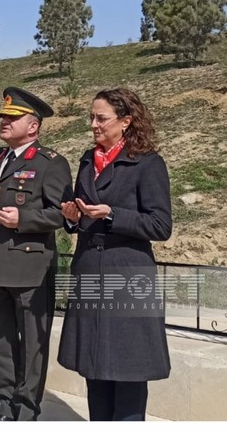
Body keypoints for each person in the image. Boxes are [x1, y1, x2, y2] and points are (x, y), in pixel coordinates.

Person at [58, 88, 172, 421]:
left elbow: (160, 225)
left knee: (129, 372)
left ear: (126, 121)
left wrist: (112, 214)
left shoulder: (147, 164)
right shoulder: (86, 161)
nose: (93, 124)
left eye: (101, 118)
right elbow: (84, 219)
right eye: (91, 117)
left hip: (128, 278)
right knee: (95, 370)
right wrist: (73, 219)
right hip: (90, 273)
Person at [0, 87, 72, 421]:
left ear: (34, 126)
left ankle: (26, 407)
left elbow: (63, 214)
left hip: (29, 266)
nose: (3, 122)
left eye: (12, 118)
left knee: (32, 343)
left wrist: (24, 219)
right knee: (2, 339)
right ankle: (5, 399)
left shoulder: (50, 163)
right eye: (2, 117)